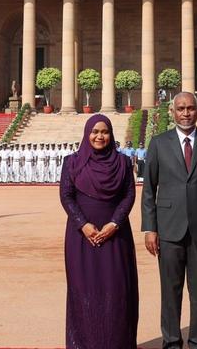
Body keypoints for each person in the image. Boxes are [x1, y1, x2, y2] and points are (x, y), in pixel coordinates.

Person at [142, 91, 197, 349]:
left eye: (191, 108)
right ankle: (171, 341)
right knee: (170, 290)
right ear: (172, 112)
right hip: (168, 228)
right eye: (180, 108)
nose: (186, 113)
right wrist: (150, 228)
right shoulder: (158, 143)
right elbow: (149, 189)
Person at [59, 115, 139, 349]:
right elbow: (66, 195)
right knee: (84, 290)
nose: (99, 136)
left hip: (116, 236)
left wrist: (114, 224)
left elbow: (129, 195)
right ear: (86, 134)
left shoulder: (123, 163)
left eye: (104, 132)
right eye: (94, 132)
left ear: (111, 135)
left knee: (117, 291)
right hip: (81, 237)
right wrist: (83, 224)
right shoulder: (72, 162)